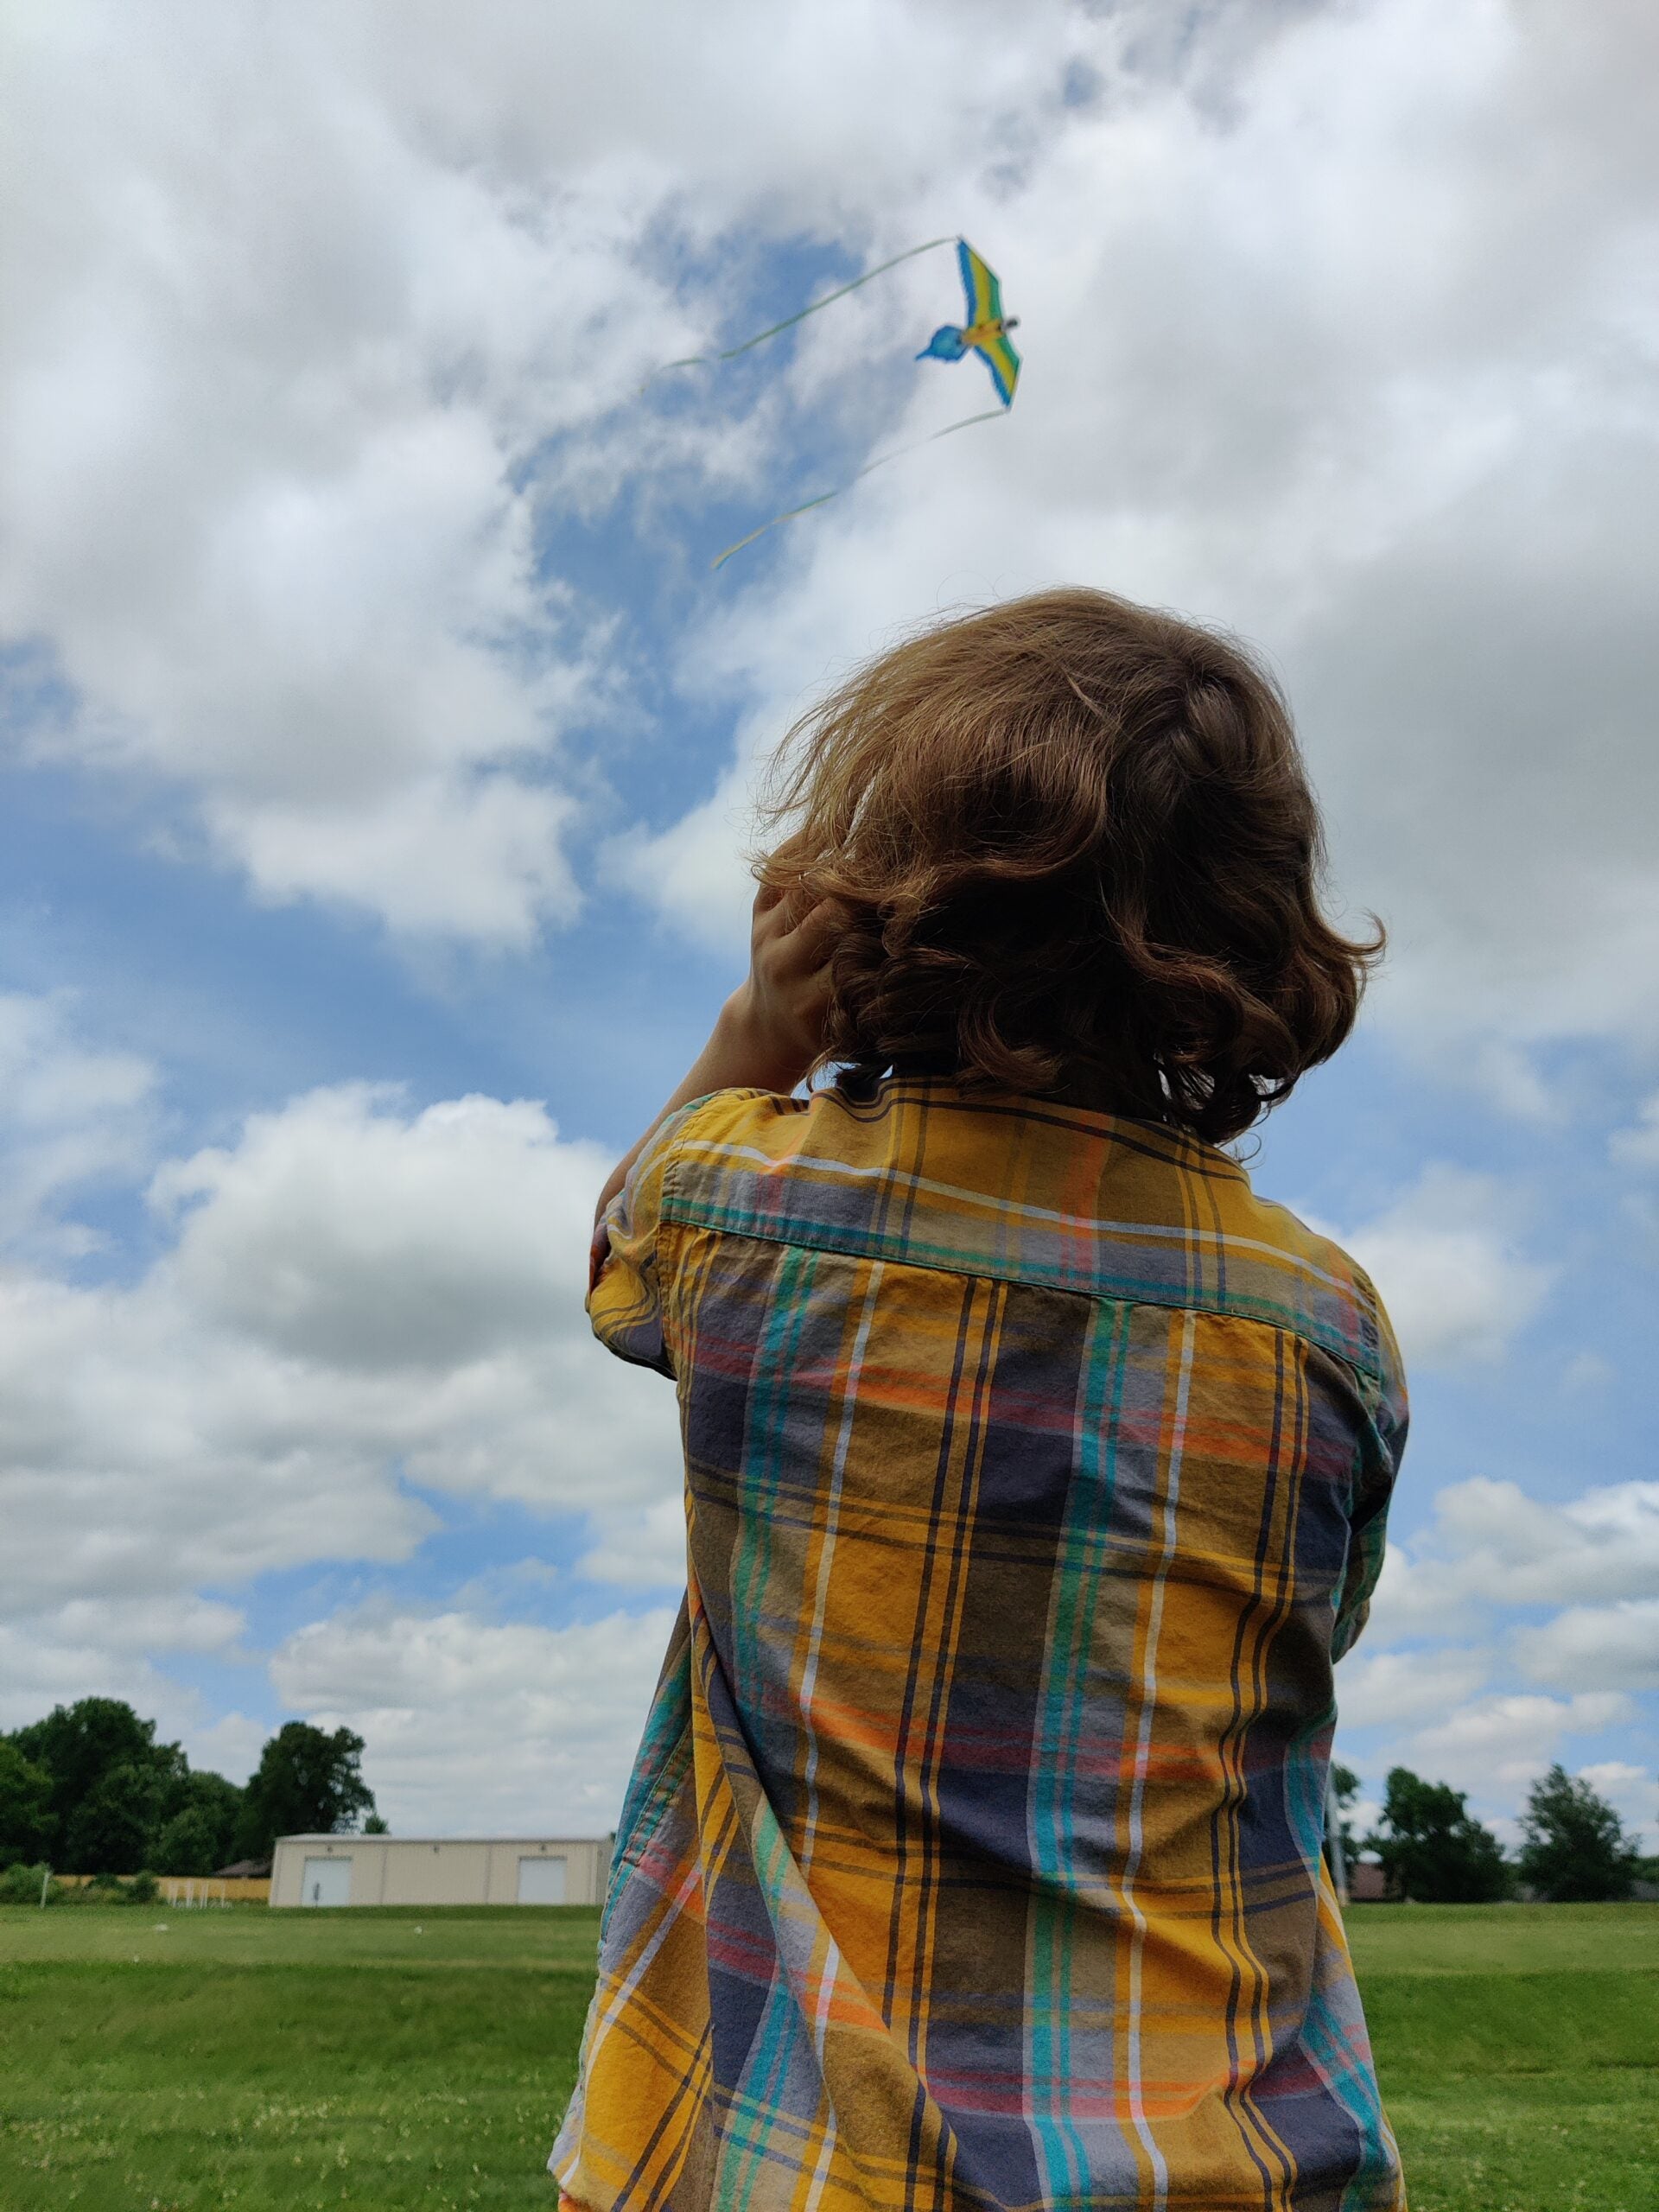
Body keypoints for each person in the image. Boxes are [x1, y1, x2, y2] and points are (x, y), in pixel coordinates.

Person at [551, 588, 1408, 2212]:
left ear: (879, 906)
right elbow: (1319, 1625)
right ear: (1247, 935)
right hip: (1242, 2156)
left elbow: (617, 1260)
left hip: (811, 2162)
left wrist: (756, 1033)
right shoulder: (1324, 1321)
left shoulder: (732, 1208)